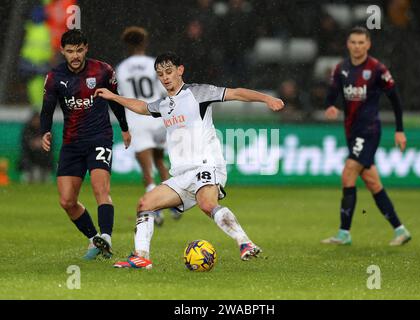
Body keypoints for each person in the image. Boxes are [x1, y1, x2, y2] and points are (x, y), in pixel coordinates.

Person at [95, 52, 284, 269]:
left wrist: (267, 98)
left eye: (168, 72)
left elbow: (237, 93)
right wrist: (114, 97)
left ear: (180, 70)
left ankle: (245, 243)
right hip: (182, 175)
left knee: (207, 204)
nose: (165, 78)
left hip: (207, 165)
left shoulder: (198, 93)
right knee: (145, 204)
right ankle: (141, 257)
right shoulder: (164, 104)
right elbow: (142, 107)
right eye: (160, 74)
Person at [40, 29, 131, 260]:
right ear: (63, 51)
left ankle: (107, 236)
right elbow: (48, 108)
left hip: (99, 137)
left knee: (101, 188)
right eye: (70, 51)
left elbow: (115, 100)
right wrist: (45, 132)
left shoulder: (102, 71)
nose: (75, 55)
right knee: (67, 201)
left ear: (86, 48)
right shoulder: (54, 77)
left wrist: (124, 127)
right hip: (71, 143)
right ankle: (94, 239)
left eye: (79, 50)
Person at [321, 27, 411, 246]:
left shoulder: (377, 69)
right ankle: (400, 230)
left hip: (369, 130)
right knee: (372, 182)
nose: (357, 46)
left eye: (362, 42)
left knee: (348, 173)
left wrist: (400, 130)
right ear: (347, 44)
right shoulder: (341, 69)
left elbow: (395, 100)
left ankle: (344, 233)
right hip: (352, 131)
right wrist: (330, 105)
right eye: (354, 42)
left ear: (368, 44)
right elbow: (332, 93)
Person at [116, 26, 180, 226]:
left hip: (137, 120)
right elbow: (166, 89)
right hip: (157, 117)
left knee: (147, 170)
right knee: (161, 162)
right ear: (144, 43)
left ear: (127, 45)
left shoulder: (122, 68)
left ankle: (156, 210)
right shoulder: (154, 64)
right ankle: (175, 203)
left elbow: (122, 98)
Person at [19, 111, 53, 183]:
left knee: (46, 178)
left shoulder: (46, 130)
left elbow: (50, 145)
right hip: (30, 159)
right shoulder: (27, 129)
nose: (37, 121)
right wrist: (33, 143)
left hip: (44, 160)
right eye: (36, 119)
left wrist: (42, 143)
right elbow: (25, 145)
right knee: (29, 176)